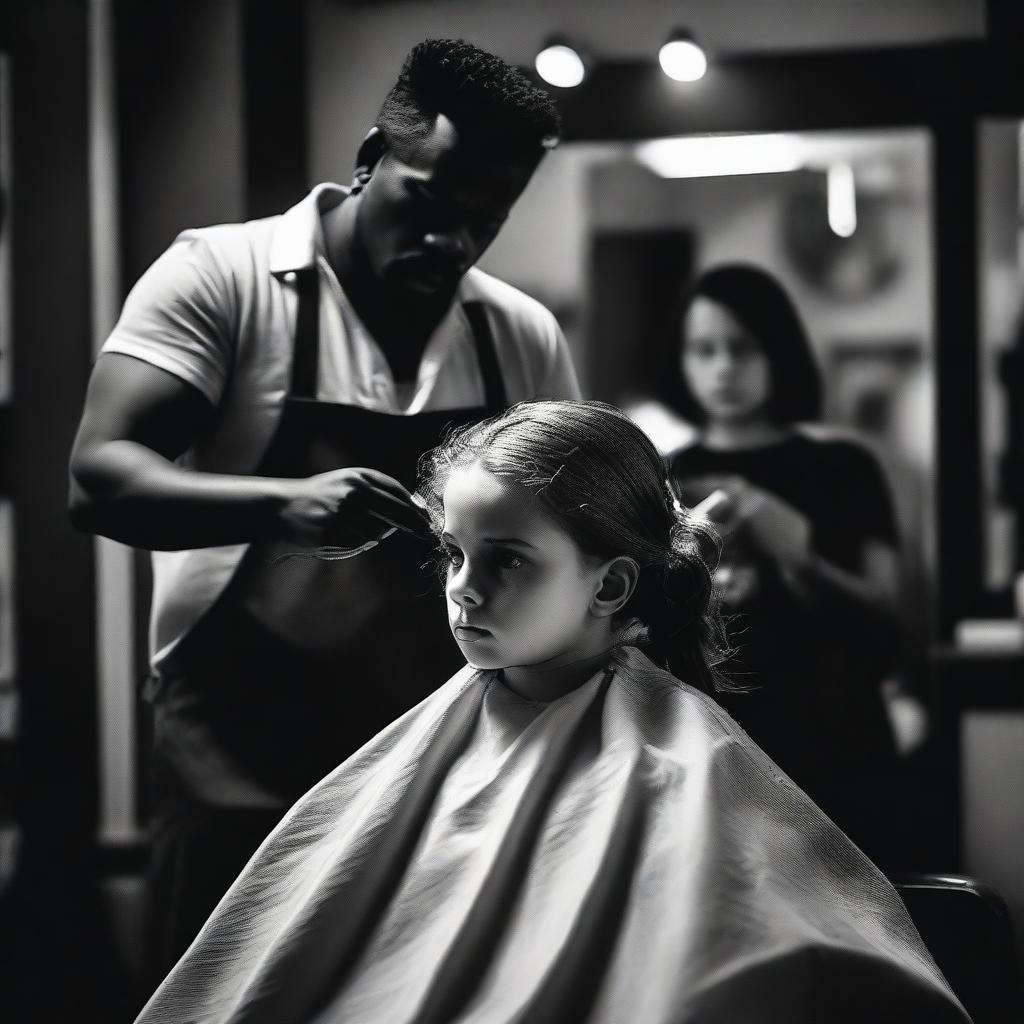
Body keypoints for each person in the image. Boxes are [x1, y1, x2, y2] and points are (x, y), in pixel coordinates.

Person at [132, 400, 968, 1024]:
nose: (464, 586)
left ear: (608, 584)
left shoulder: (677, 762)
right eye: (454, 553)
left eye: (508, 560)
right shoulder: (427, 737)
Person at [68, 39, 579, 977]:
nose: (449, 244)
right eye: (427, 202)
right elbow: (99, 478)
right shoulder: (223, 278)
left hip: (446, 758)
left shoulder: (518, 337)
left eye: (483, 222)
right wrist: (283, 506)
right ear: (369, 158)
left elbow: (570, 535)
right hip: (238, 751)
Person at [663, 263, 905, 865]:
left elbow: (893, 617)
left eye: (741, 349)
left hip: (837, 741)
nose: (722, 368)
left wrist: (801, 558)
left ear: (777, 351)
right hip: (710, 745)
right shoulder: (661, 475)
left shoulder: (844, 468)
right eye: (703, 350)